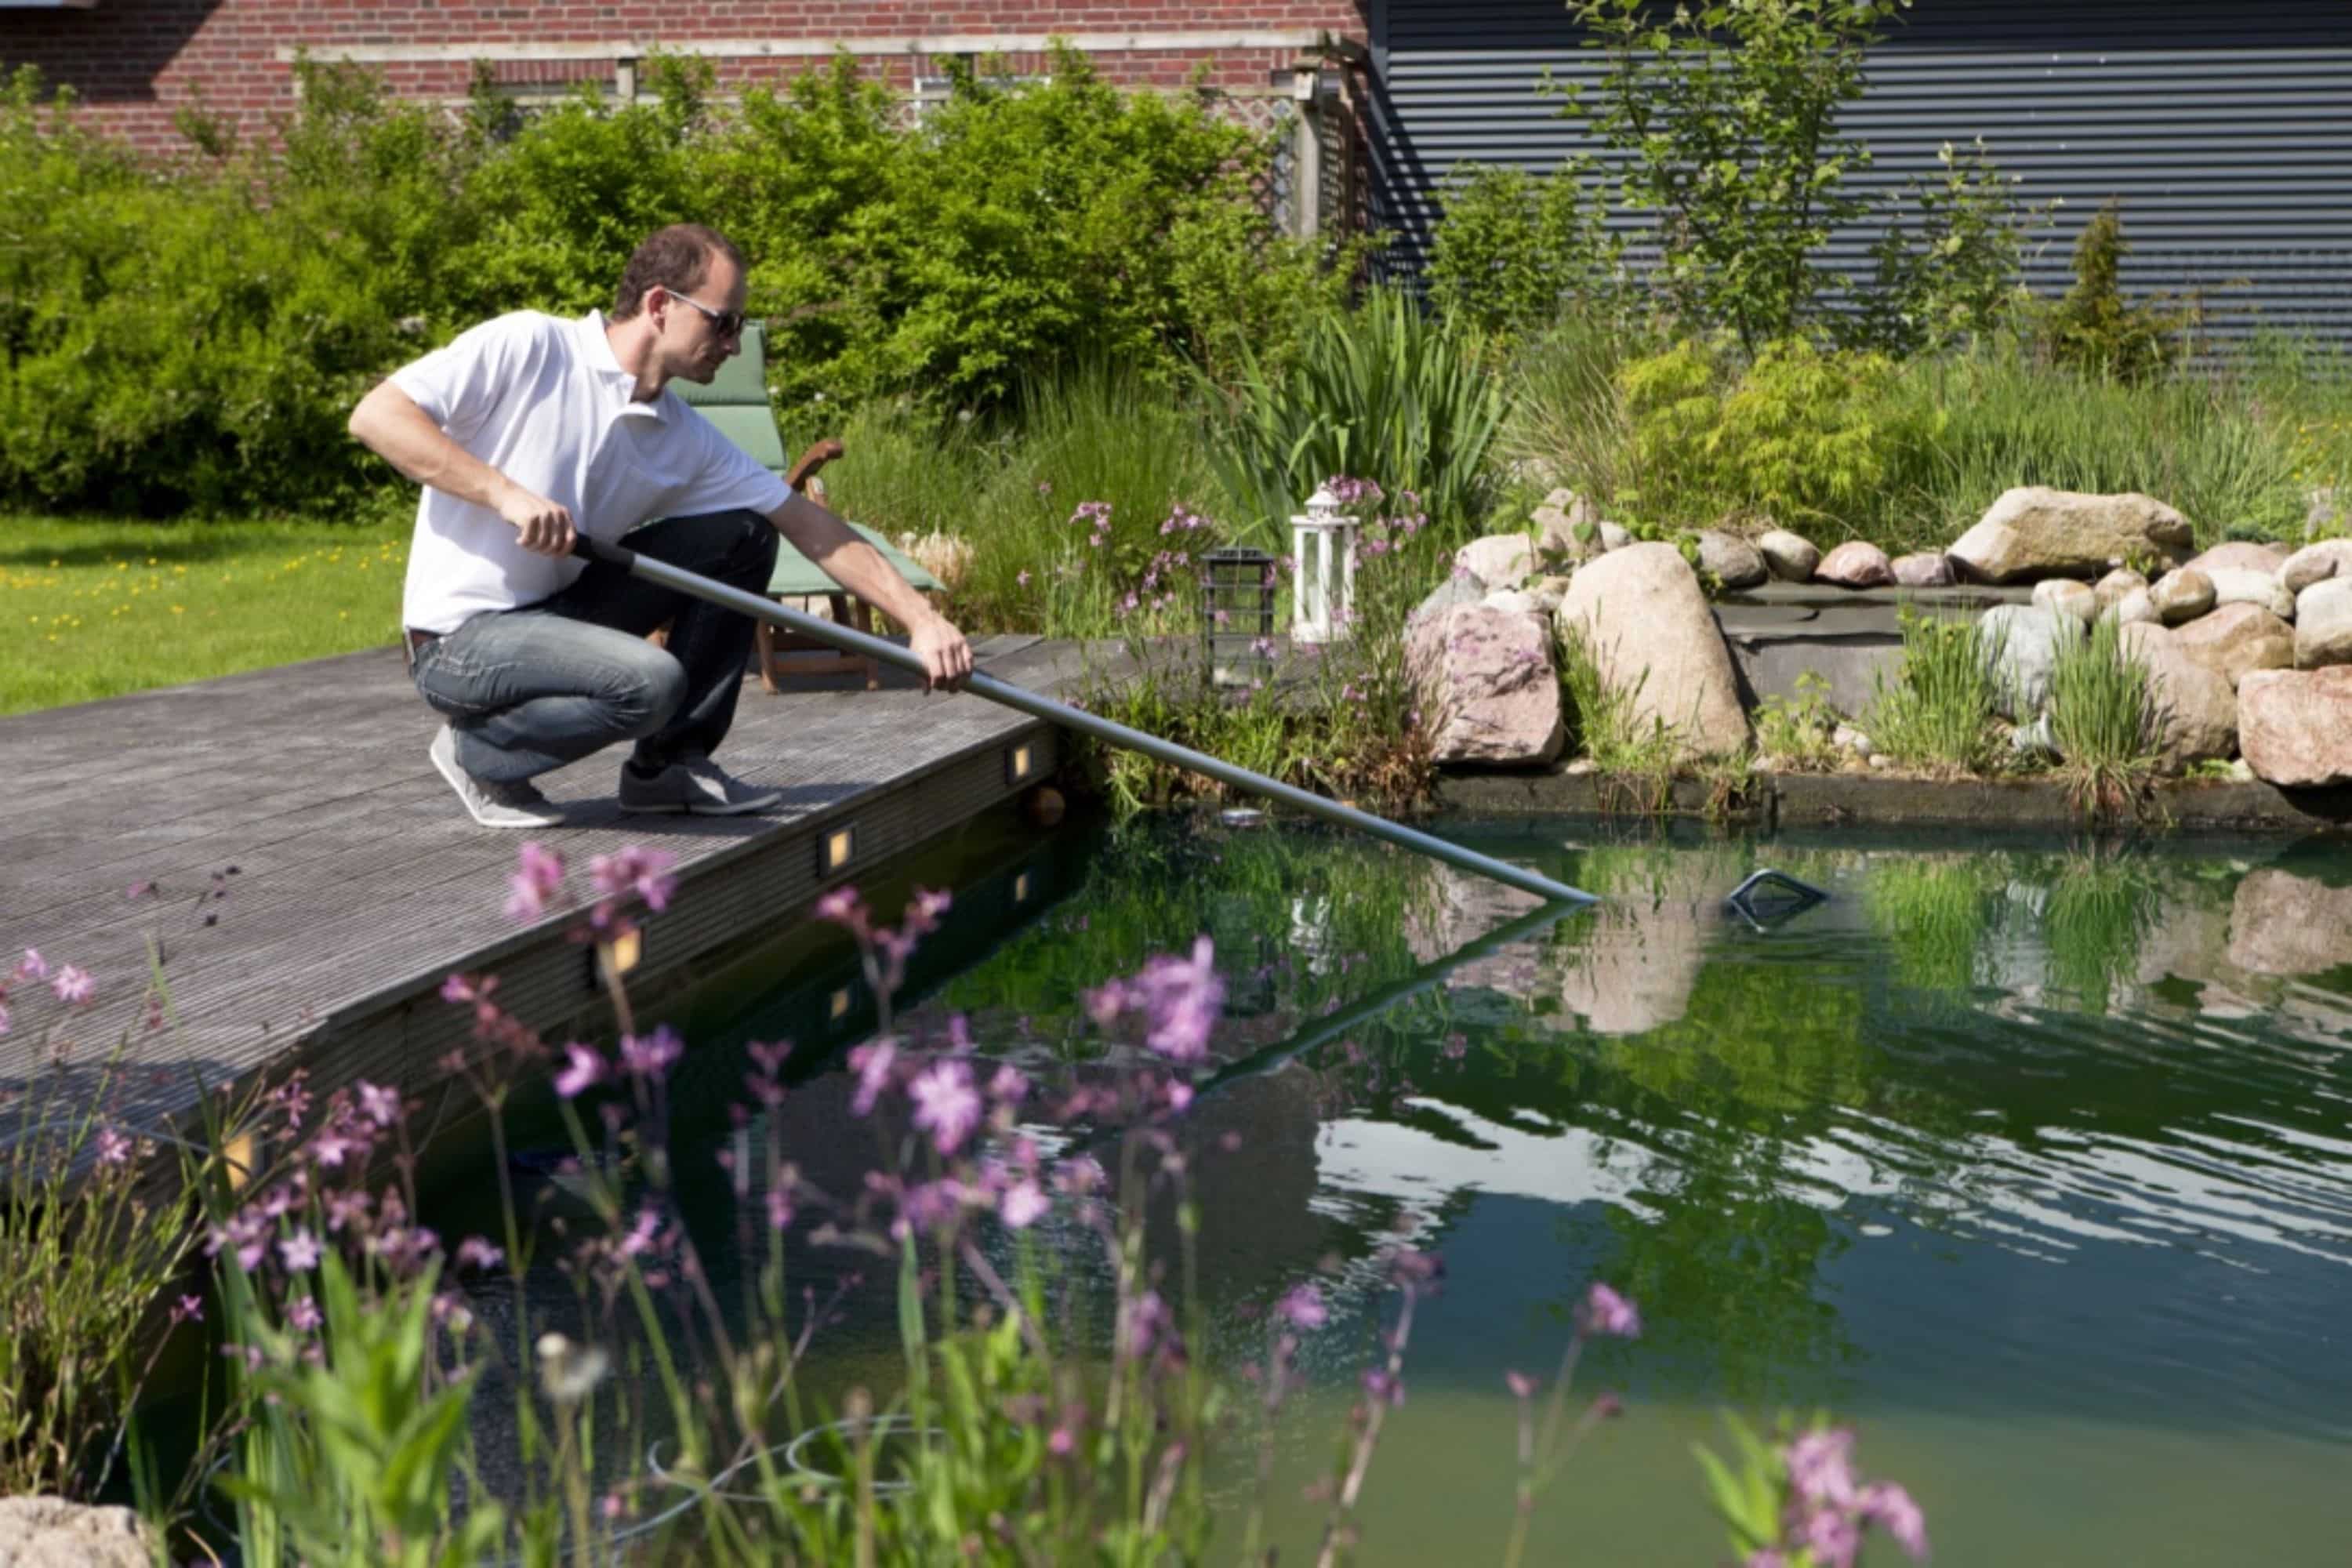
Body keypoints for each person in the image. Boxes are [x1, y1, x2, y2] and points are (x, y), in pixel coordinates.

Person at [349, 223, 973, 828]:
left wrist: (920, 620)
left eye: (740, 327)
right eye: (722, 322)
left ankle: (669, 768)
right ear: (658, 305)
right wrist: (504, 493)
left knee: (744, 534)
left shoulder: (682, 436)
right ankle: (478, 754)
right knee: (650, 682)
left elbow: (812, 526)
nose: (732, 344)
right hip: (458, 644)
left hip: (557, 618)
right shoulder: (531, 345)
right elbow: (377, 416)